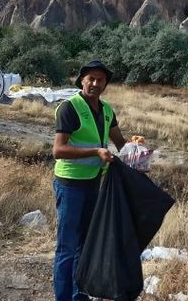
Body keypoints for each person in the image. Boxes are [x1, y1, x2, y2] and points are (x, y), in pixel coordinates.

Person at [52, 60, 127, 301]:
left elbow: (121, 144)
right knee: (66, 247)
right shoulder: (69, 108)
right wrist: (95, 152)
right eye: (91, 79)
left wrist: (137, 146)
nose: (95, 83)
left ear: (106, 84)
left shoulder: (106, 111)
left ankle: (79, 296)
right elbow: (58, 150)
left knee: (84, 247)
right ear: (81, 80)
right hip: (70, 184)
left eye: (100, 80)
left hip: (94, 185)